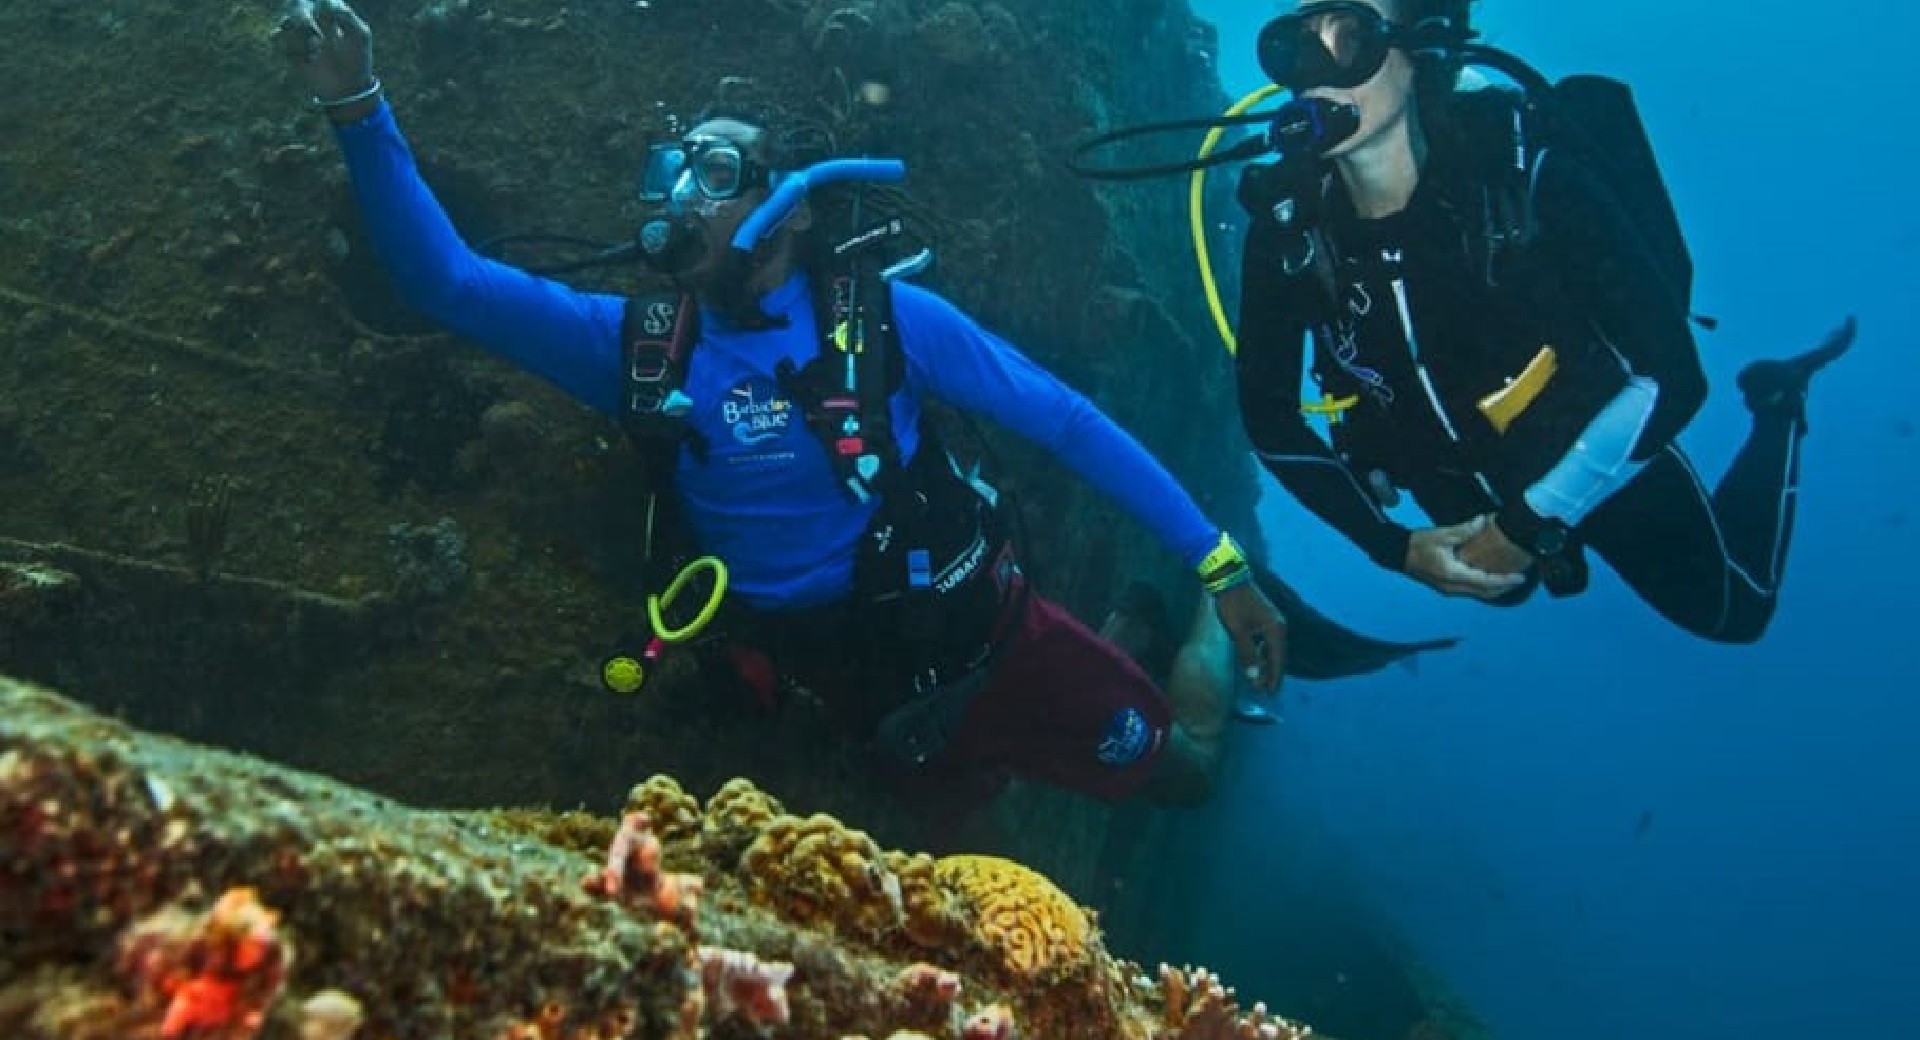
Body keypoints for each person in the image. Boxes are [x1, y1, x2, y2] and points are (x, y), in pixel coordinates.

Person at [274, 0, 1288, 818]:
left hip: (990, 645)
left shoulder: (892, 321)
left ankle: (1187, 619)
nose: (680, 195)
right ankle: (1131, 622)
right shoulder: (630, 344)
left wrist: (1220, 561)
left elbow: (1062, 421)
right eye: (670, 171)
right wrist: (359, 105)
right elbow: (443, 282)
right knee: (960, 802)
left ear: (793, 206)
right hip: (851, 693)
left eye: (716, 172)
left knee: (1181, 775)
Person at [1232, 0, 1858, 644]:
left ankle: (1778, 398)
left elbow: (1673, 377)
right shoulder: (1288, 226)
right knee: (1507, 592)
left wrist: (1529, 524)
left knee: (1737, 613)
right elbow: (1269, 416)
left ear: (1423, 47)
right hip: (1449, 471)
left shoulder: (1524, 175)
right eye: (1293, 44)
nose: (1313, 71)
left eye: (1346, 35)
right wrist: (1391, 545)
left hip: (1595, 435)